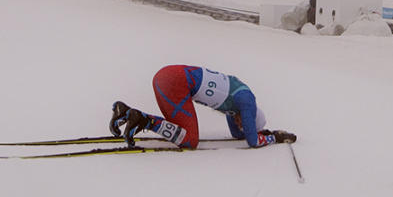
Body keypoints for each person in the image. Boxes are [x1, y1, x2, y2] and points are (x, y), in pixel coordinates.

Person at [109, 65, 295, 149]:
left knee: (180, 130)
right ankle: (141, 119)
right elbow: (252, 142)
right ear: (251, 116)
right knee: (190, 140)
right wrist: (274, 138)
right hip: (175, 83)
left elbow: (239, 135)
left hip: (169, 77)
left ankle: (126, 112)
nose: (239, 125)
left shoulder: (239, 104)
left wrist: (261, 132)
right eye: (244, 123)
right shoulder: (248, 102)